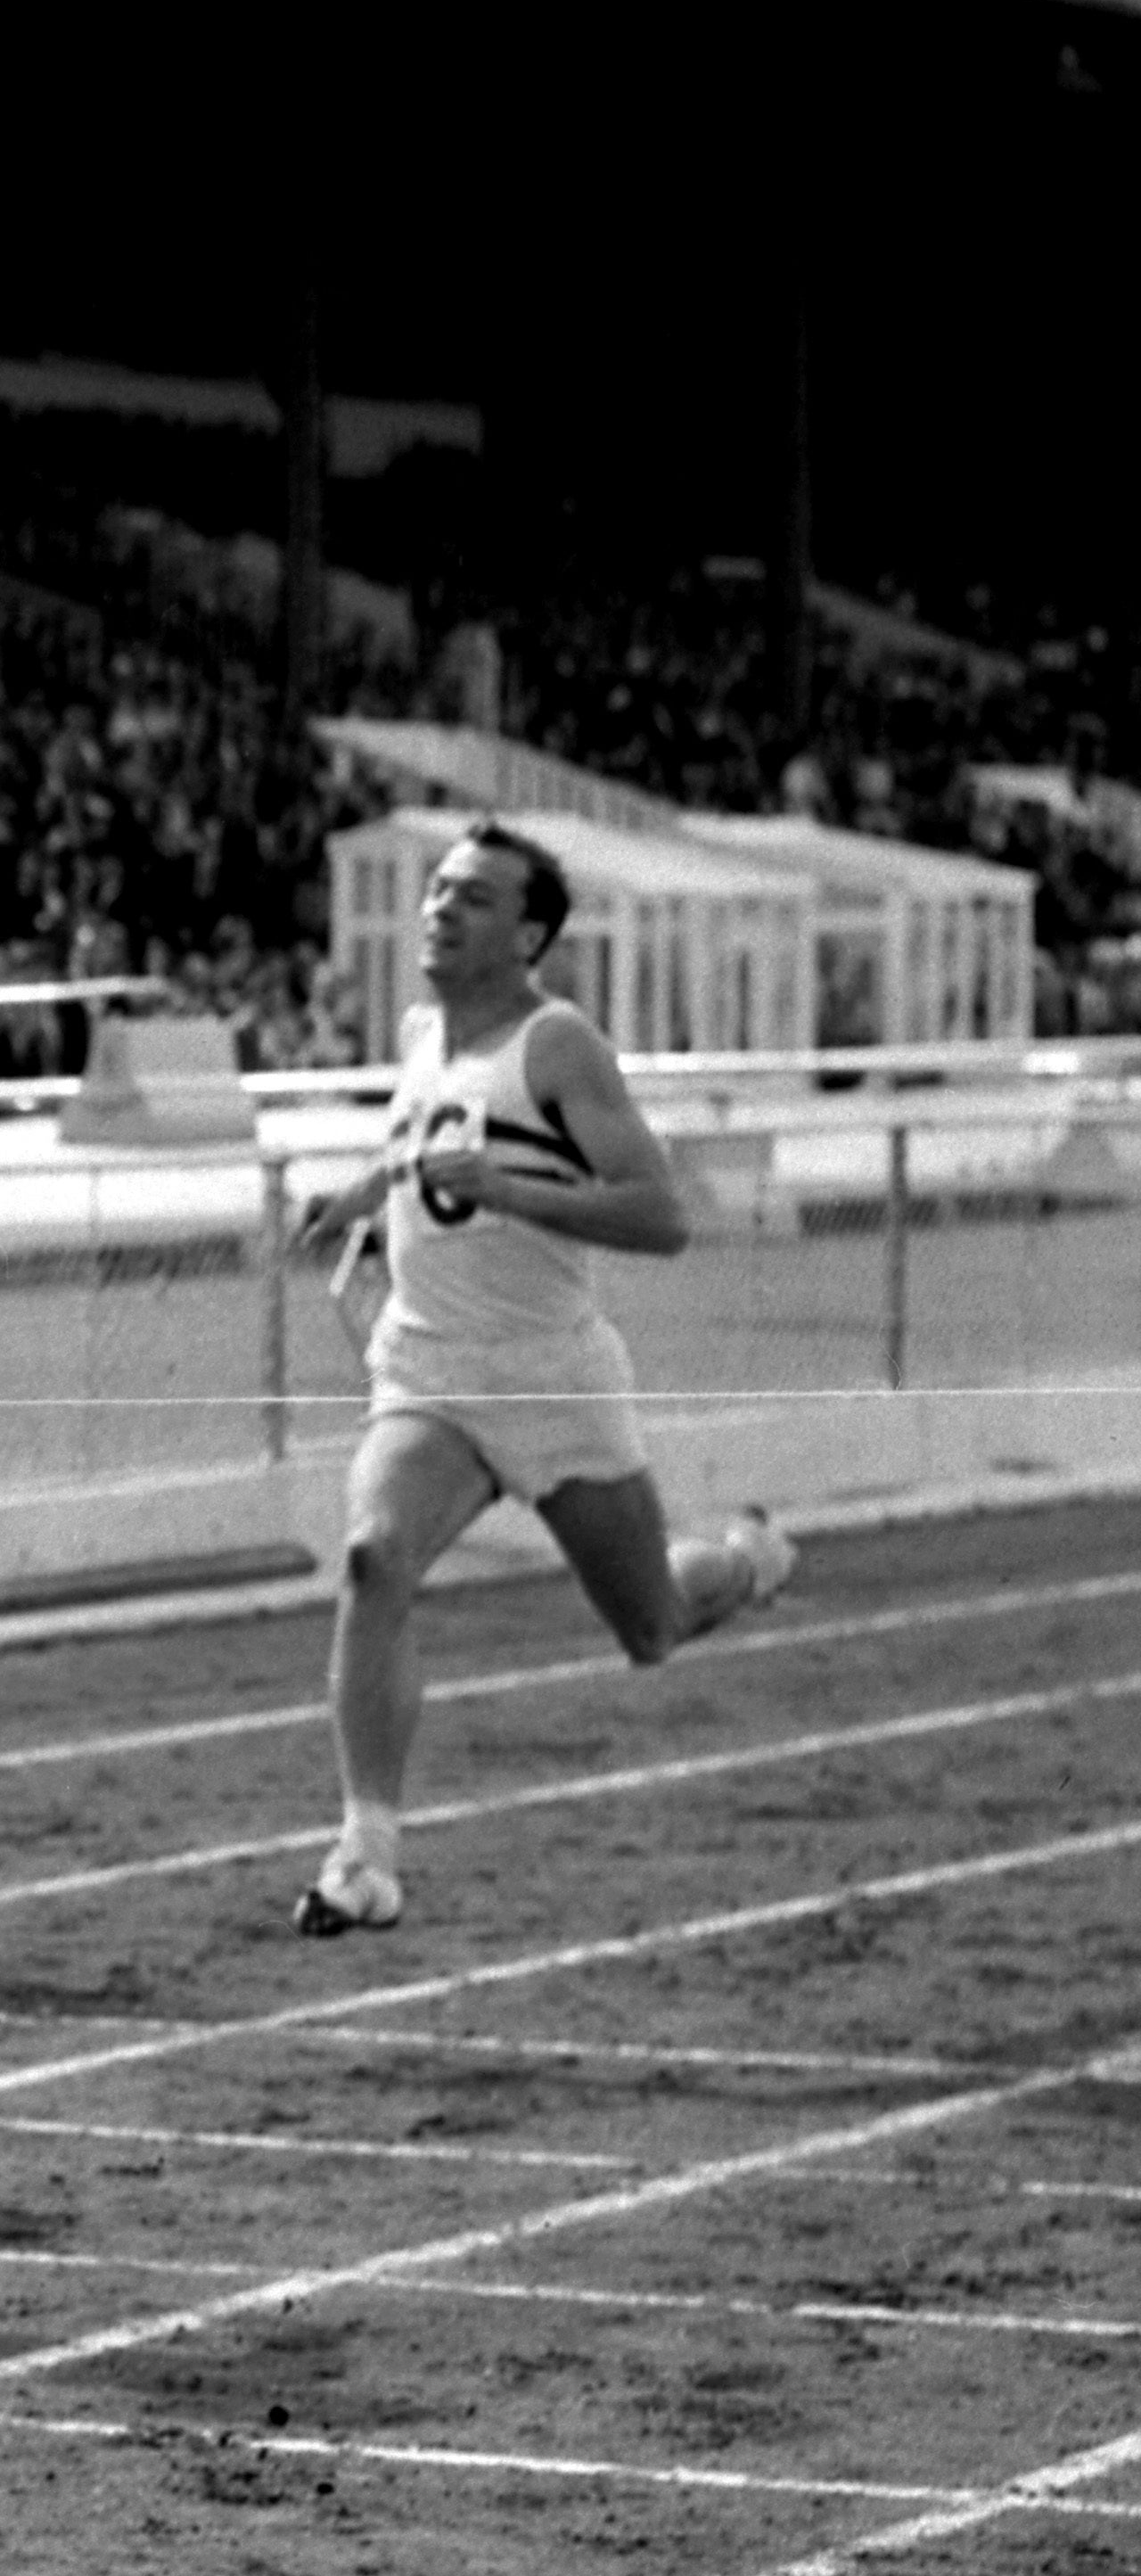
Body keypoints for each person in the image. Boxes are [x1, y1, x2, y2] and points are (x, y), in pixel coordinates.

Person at [289, 820, 795, 1938]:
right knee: (373, 1558)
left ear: (527, 935)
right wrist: (358, 1195)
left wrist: (512, 1192)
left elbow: (660, 1216)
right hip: (426, 1368)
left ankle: (746, 1559)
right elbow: (422, 1152)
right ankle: (365, 1855)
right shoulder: (421, 1032)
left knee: (651, 1627)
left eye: (472, 897)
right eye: (437, 889)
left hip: (551, 1377)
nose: (439, 908)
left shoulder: (558, 1044)